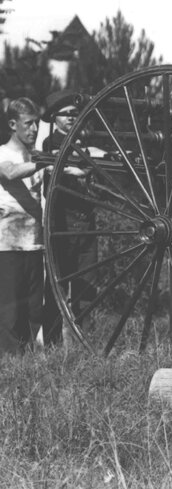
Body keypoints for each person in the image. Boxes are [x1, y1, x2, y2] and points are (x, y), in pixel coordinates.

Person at [40, 90, 95, 346]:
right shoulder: (51, 143)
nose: (72, 118)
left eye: (75, 114)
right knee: (58, 286)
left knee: (85, 286)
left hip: (85, 223)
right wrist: (79, 169)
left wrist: (86, 170)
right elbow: (57, 171)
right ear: (54, 118)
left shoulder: (83, 143)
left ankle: (85, 342)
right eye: (67, 115)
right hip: (61, 223)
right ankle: (52, 344)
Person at [0, 98, 45, 354]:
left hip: (33, 242)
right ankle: (9, 362)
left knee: (33, 308)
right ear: (12, 124)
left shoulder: (36, 157)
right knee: (9, 310)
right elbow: (9, 173)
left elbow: (70, 170)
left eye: (37, 123)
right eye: (29, 123)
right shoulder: (2, 153)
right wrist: (44, 162)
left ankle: (28, 361)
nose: (35, 129)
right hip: (7, 244)